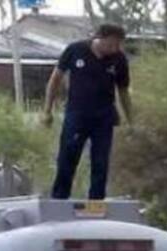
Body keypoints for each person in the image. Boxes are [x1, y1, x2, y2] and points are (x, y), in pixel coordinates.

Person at [44, 23, 132, 201]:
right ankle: (59, 200)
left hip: (104, 117)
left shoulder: (119, 59)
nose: (114, 49)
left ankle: (96, 203)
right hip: (77, 114)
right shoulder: (75, 50)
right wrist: (47, 111)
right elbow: (55, 80)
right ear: (98, 38)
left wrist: (131, 121)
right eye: (111, 44)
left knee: (100, 163)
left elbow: (123, 91)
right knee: (67, 159)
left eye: (118, 45)